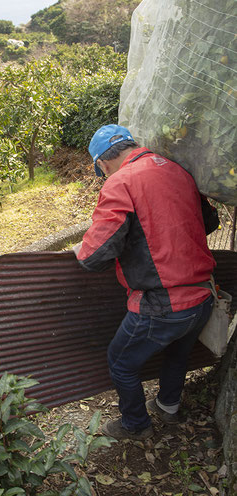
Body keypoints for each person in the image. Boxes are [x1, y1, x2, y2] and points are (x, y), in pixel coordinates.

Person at [74, 124, 219, 441]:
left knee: (120, 362)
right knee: (178, 353)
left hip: (163, 304)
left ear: (102, 162)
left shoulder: (119, 182)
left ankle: (136, 425)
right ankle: (168, 406)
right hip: (204, 297)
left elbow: (93, 256)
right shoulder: (177, 170)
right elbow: (210, 222)